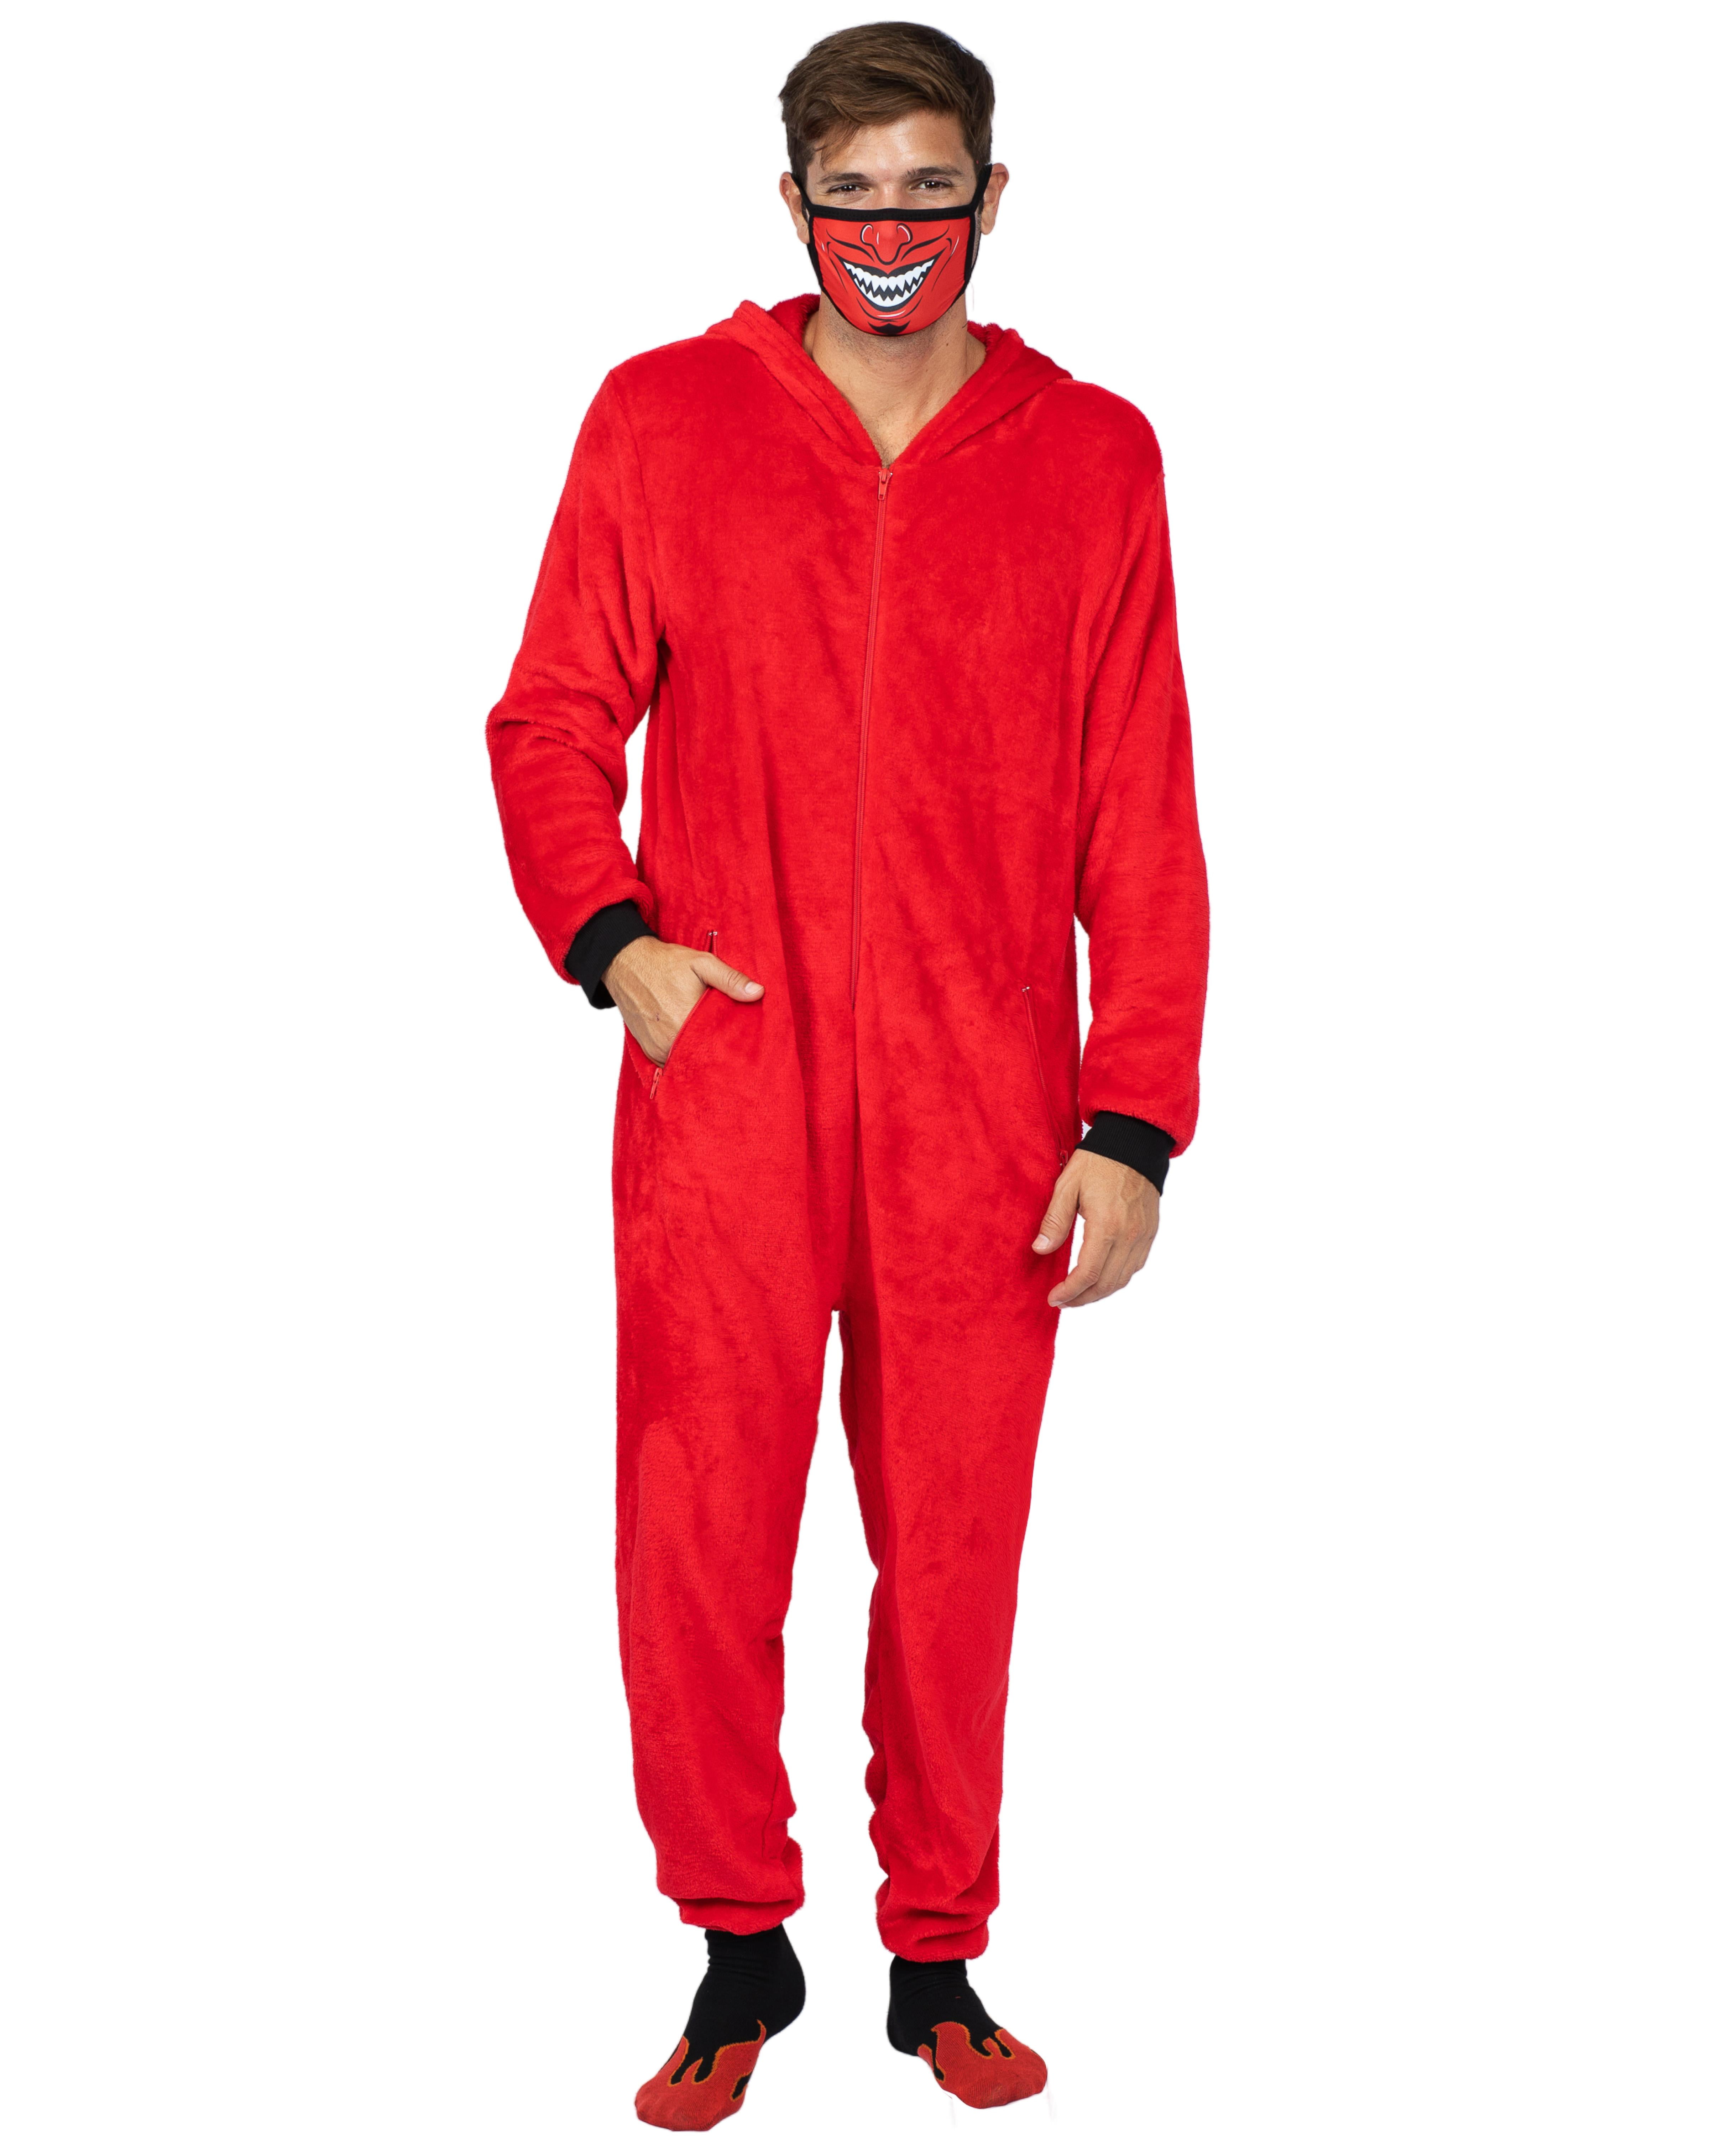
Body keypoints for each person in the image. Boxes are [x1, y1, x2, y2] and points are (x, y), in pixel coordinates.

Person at [486, 20, 1208, 2130]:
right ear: (793, 200)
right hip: (728, 1076)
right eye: (855, 193)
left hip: (993, 1104)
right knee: (698, 1535)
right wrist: (615, 945)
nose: (892, 232)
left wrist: (1134, 1118)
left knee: (956, 1550)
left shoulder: (1098, 457)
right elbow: (550, 717)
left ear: (995, 197)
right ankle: (738, 1939)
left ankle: (937, 1953)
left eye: (929, 190)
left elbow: (1143, 811)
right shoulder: (663, 419)